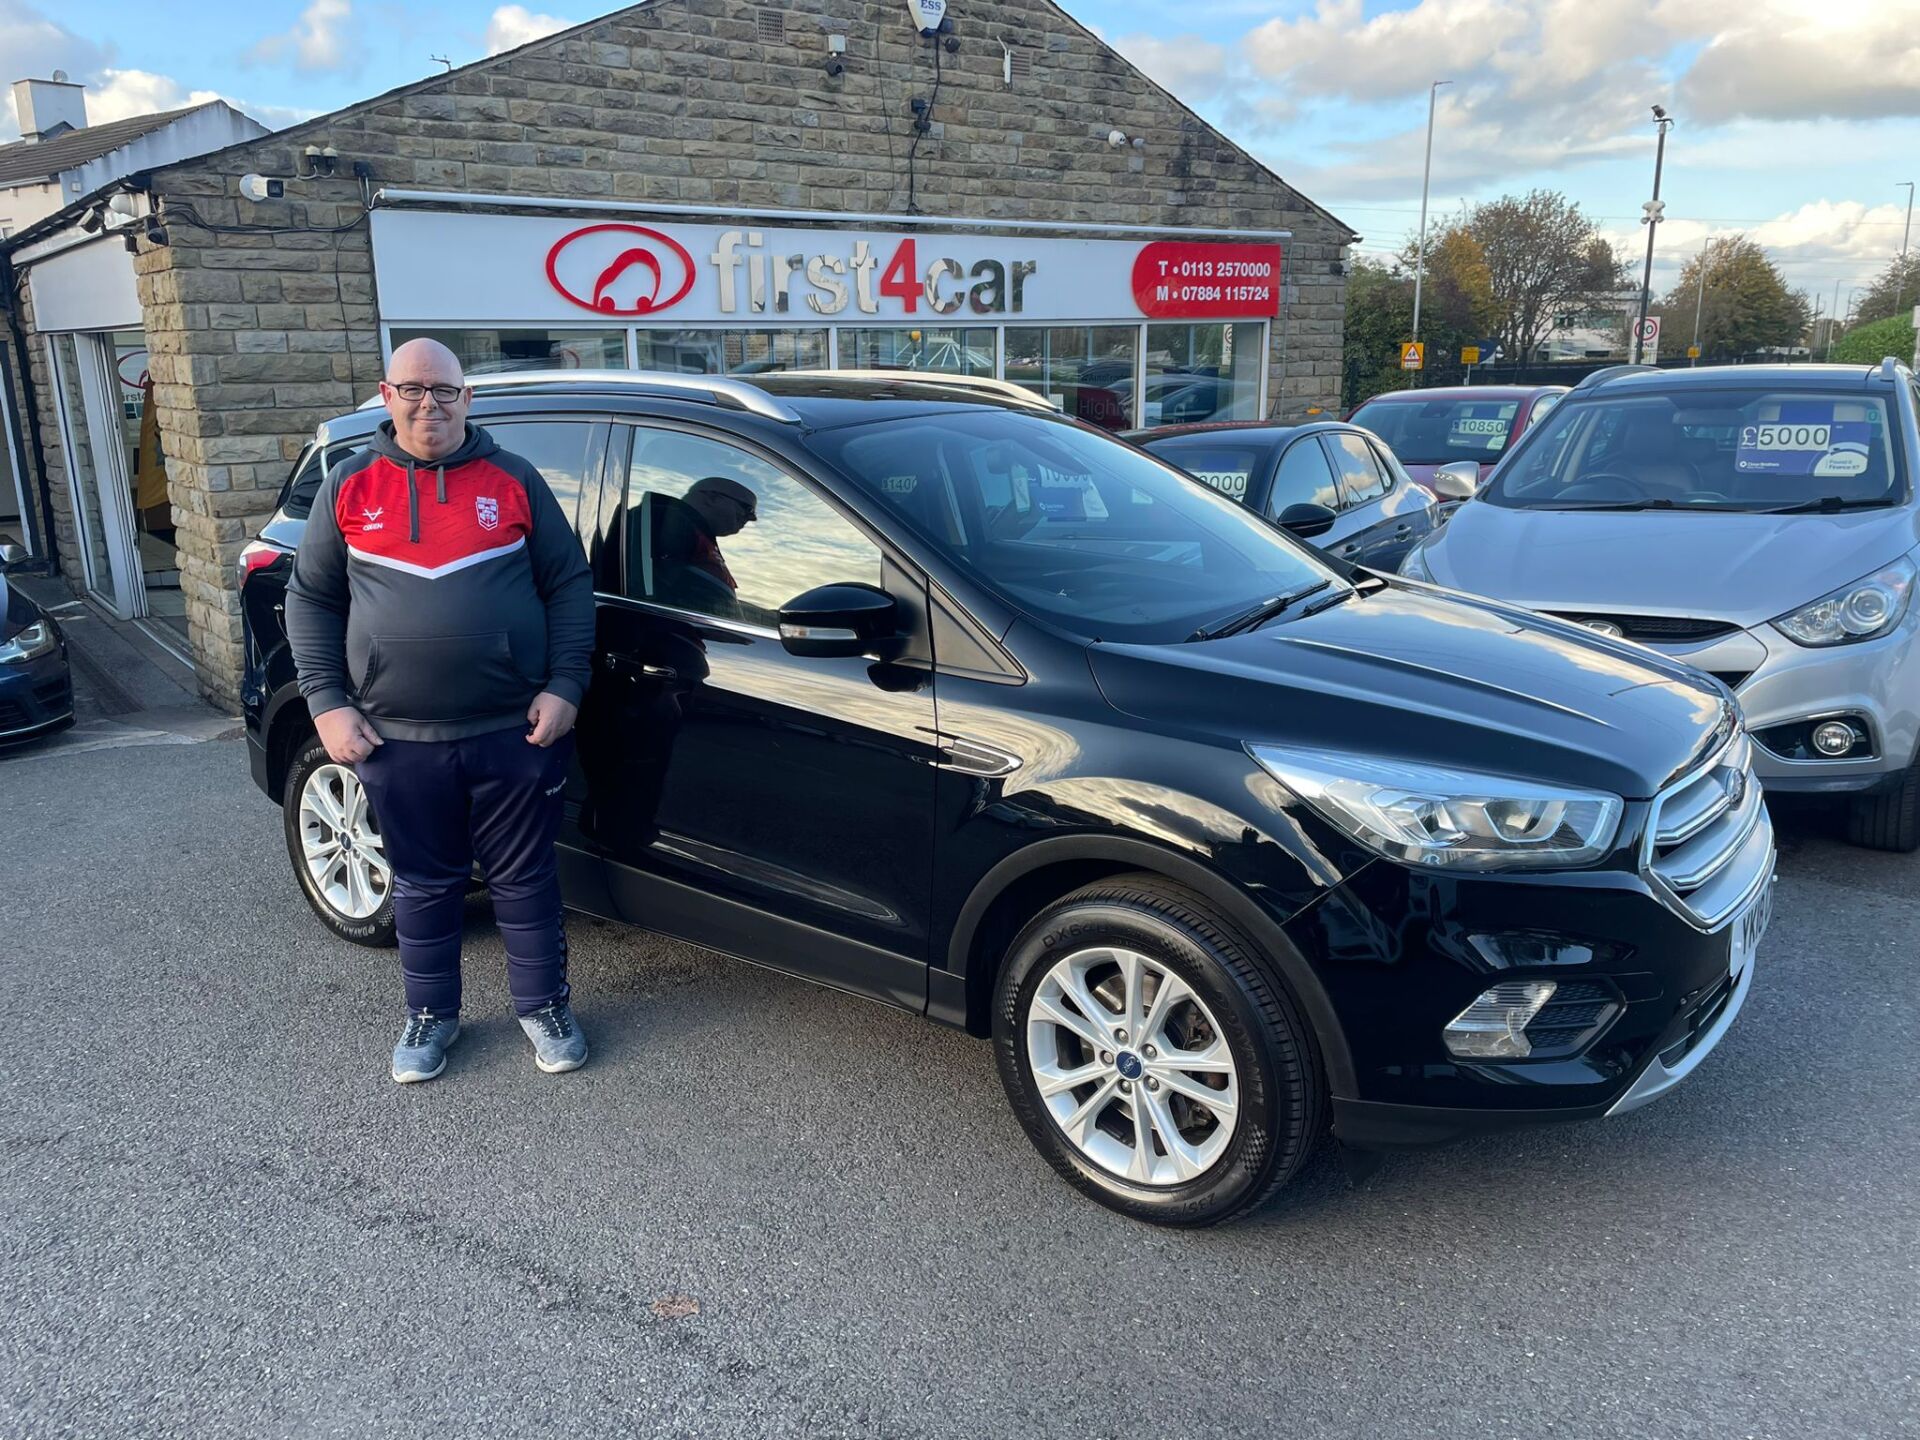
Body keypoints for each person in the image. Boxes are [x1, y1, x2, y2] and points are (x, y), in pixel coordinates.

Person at [284, 338, 596, 1084]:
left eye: (446, 390)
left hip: (512, 730)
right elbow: (312, 598)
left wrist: (565, 685)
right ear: (387, 396)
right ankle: (430, 1016)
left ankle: (544, 1006)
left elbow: (569, 585)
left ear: (468, 398)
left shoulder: (515, 480)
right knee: (423, 884)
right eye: (415, 389)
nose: (432, 403)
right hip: (397, 737)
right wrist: (327, 702)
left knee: (525, 881)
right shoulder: (349, 486)